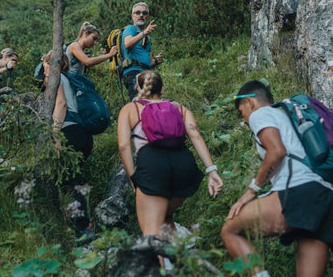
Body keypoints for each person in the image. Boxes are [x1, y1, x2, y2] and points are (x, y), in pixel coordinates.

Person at [221, 80, 333, 277]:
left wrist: (251, 191)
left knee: (230, 229)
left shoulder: (260, 114)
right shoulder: (286, 117)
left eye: (242, 112)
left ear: (250, 103)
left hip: (299, 190)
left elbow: (277, 152)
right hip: (324, 195)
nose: (245, 120)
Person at [117, 71, 223, 246]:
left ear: (137, 88)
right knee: (165, 217)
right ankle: (179, 261)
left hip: (153, 167)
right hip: (184, 166)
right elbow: (195, 136)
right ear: (163, 88)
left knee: (151, 234)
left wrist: (134, 180)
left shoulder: (130, 109)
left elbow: (123, 146)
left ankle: (161, 268)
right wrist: (212, 170)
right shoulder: (179, 107)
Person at [45, 52, 94, 237]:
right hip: (82, 133)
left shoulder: (55, 77)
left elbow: (61, 105)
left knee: (70, 183)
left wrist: (56, 136)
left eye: (44, 64)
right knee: (74, 181)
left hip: (68, 132)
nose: (43, 68)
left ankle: (82, 229)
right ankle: (82, 225)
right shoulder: (71, 78)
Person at [122, 2, 163, 101]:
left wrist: (156, 62)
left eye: (144, 13)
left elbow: (149, 62)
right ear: (133, 16)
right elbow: (127, 44)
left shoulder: (146, 38)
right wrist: (144, 32)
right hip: (133, 72)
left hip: (146, 74)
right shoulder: (130, 28)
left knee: (149, 103)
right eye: (138, 12)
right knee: (138, 103)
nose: (141, 15)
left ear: (147, 17)